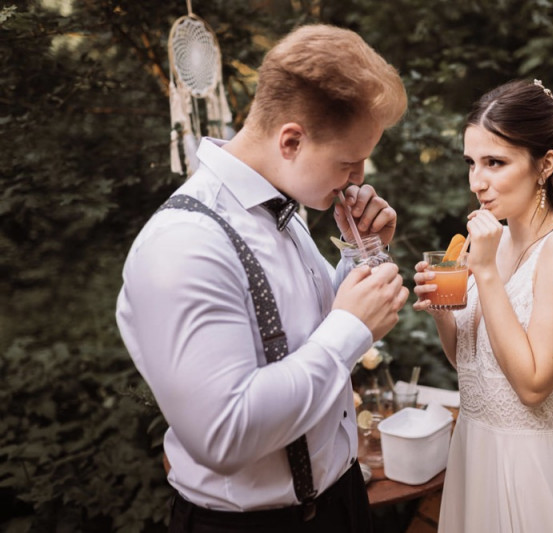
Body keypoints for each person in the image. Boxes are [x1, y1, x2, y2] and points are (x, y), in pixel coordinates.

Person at [116, 24, 409, 533]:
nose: (359, 177)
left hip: (343, 504)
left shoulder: (282, 207)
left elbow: (309, 330)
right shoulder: (184, 244)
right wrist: (351, 329)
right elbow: (223, 435)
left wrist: (362, 252)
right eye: (349, 161)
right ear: (291, 140)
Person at [413, 79, 553, 532]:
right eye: (471, 163)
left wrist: (484, 274)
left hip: (525, 468)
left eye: (495, 163)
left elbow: (533, 385)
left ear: (545, 165)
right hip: (472, 453)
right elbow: (471, 364)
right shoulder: (493, 243)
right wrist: (443, 311)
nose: (476, 182)